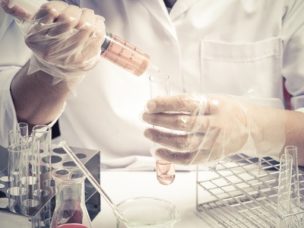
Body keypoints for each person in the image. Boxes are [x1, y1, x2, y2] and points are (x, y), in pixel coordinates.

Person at [1, 0, 304, 167]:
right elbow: (9, 134)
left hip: (246, 195)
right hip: (104, 194)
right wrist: (52, 70)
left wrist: (253, 127)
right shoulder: (53, 5)